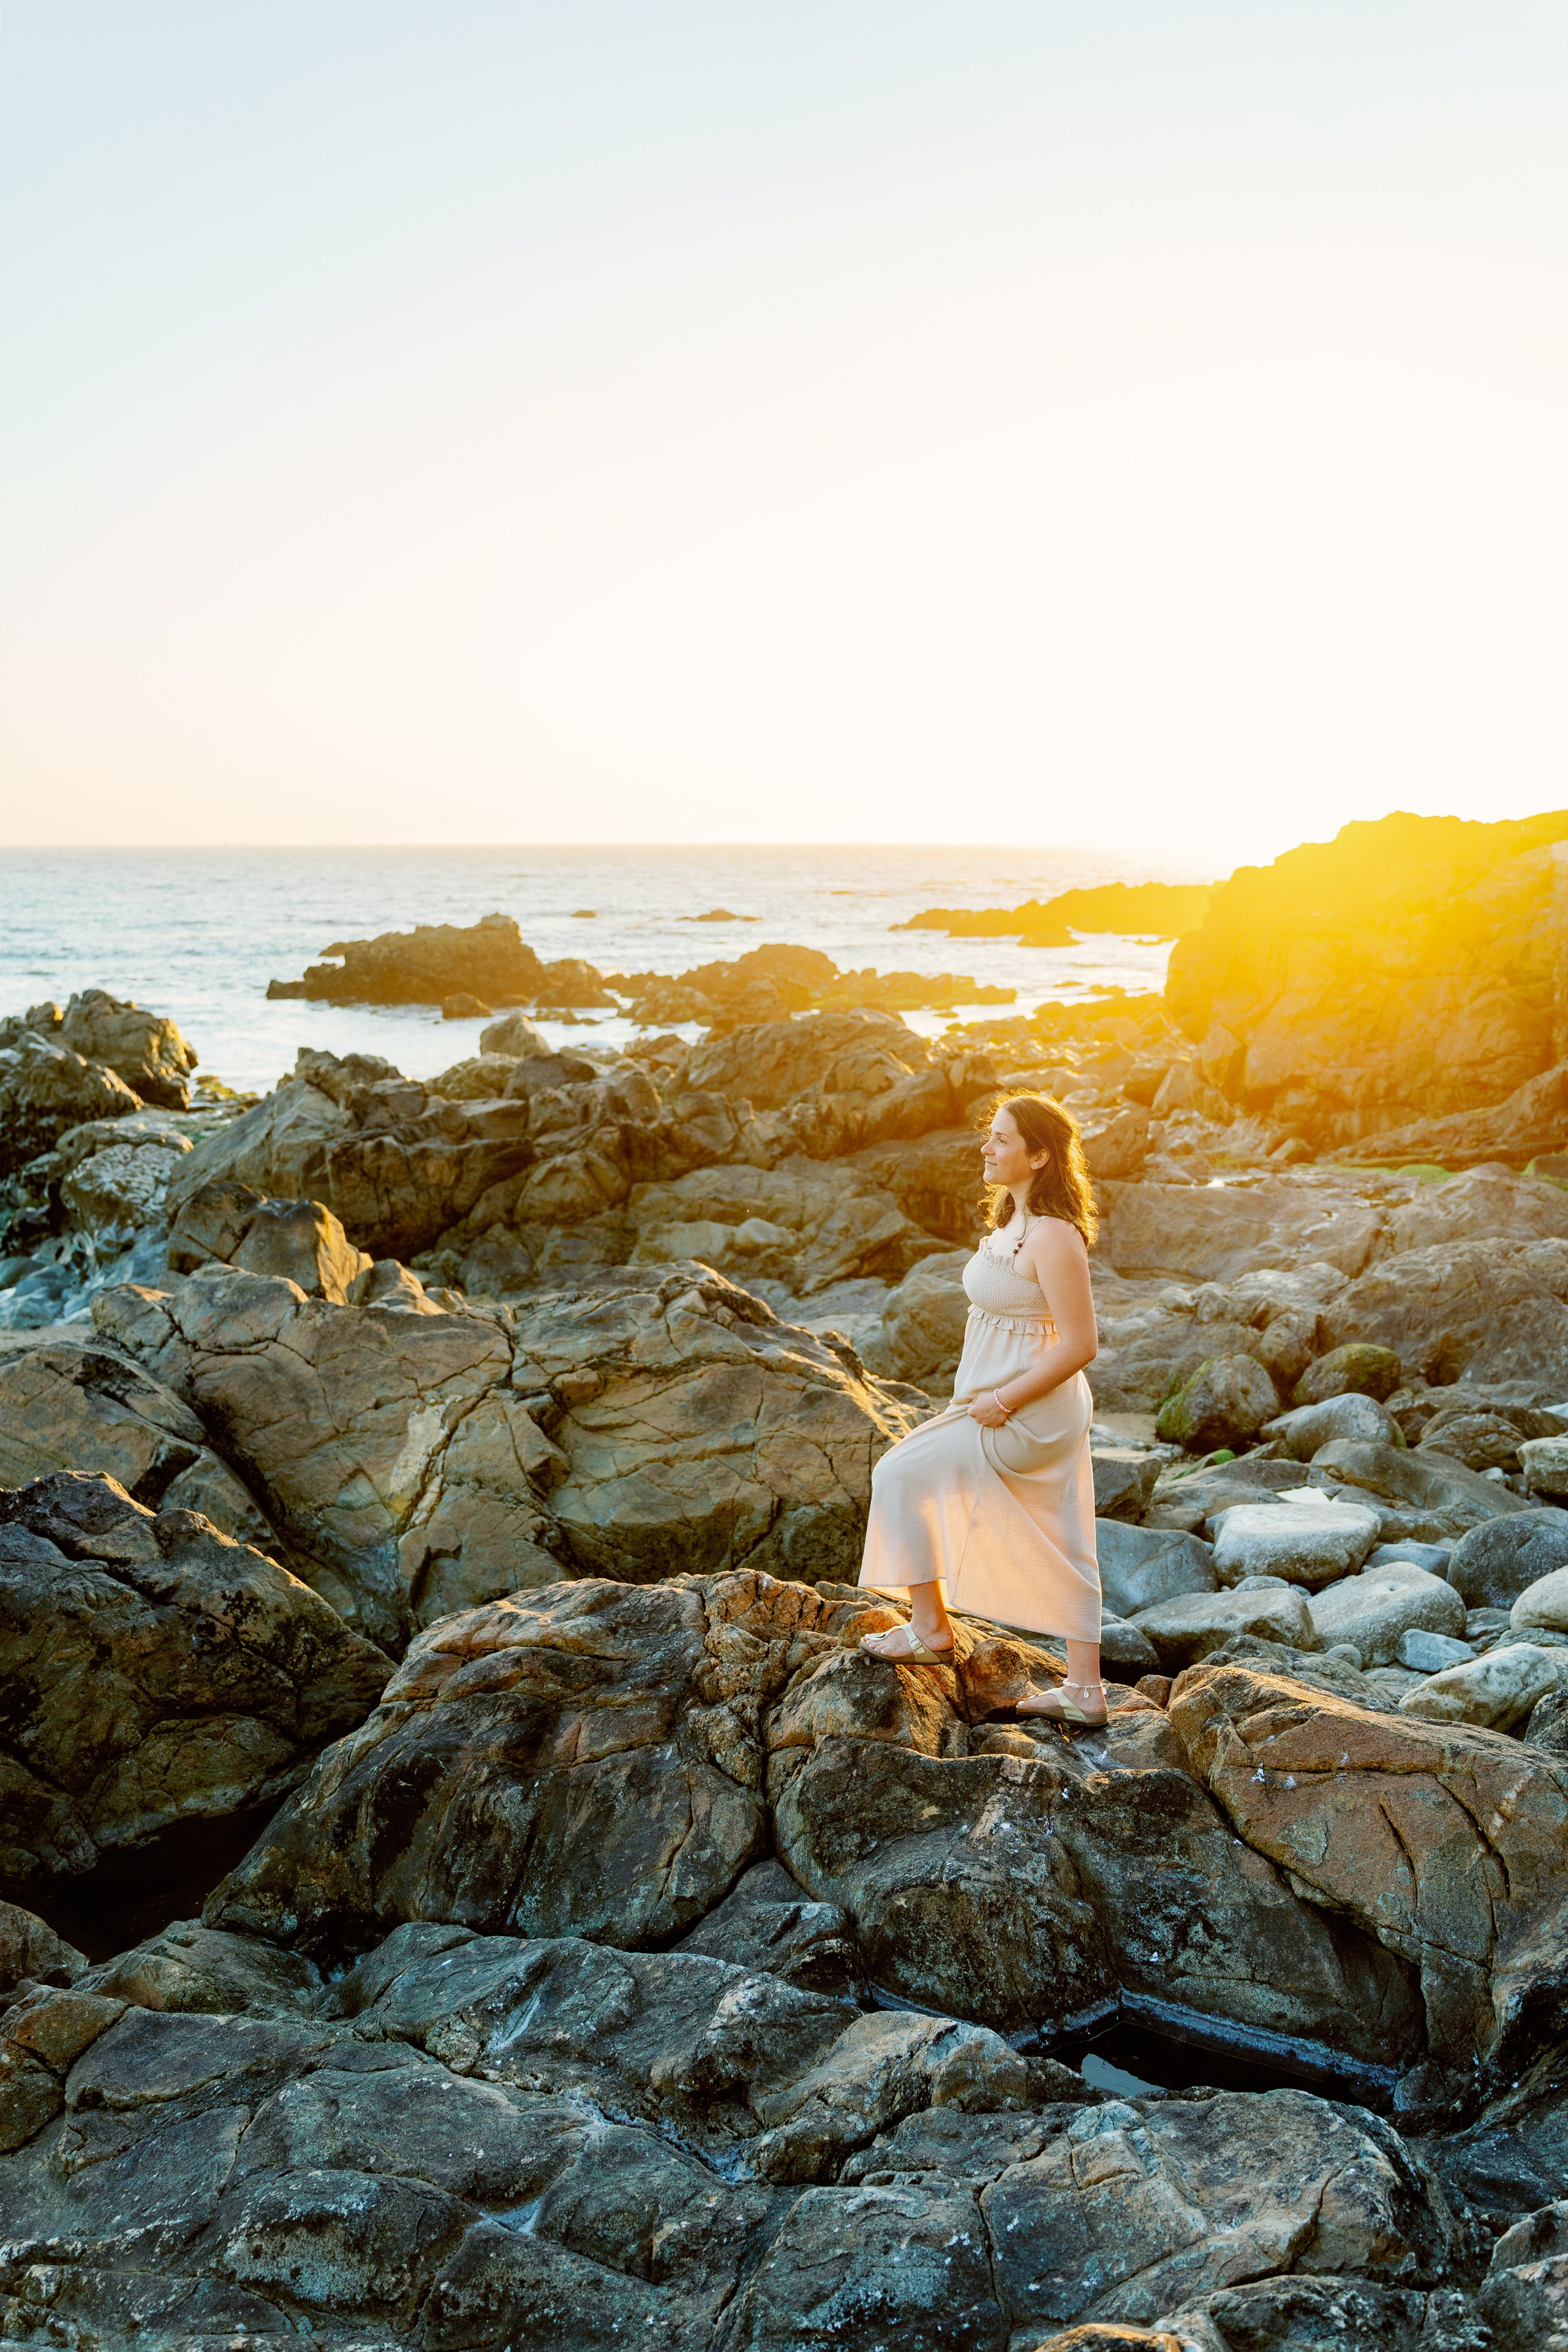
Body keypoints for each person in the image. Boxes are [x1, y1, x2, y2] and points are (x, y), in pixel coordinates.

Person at [857, 1091, 1105, 1724]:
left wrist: (1003, 1398)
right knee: (1065, 1534)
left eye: (1000, 1139)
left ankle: (930, 1629)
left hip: (1028, 1410)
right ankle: (1084, 1691)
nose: (985, 1147)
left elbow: (1081, 1344)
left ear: (1040, 1156)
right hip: (996, 1399)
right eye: (988, 1134)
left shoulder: (1054, 1236)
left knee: (898, 1474)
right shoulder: (1013, 1221)